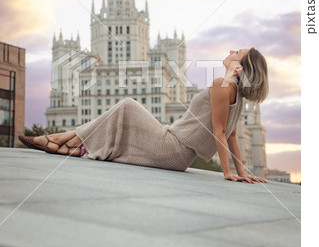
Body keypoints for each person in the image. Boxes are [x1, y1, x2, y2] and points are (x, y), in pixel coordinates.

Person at [19, 47, 269, 183]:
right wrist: (242, 170)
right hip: (179, 156)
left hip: (173, 147)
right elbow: (233, 134)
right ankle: (70, 144)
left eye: (237, 52)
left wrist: (228, 173)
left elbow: (220, 132)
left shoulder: (222, 85)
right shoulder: (235, 93)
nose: (231, 51)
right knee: (124, 116)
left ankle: (62, 139)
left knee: (127, 104)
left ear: (241, 66)